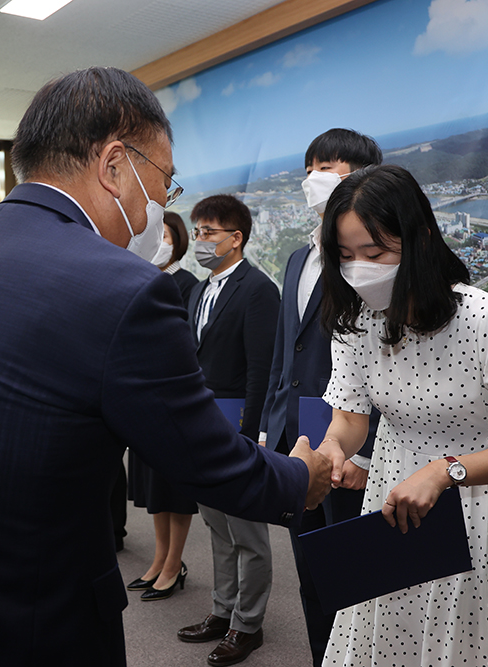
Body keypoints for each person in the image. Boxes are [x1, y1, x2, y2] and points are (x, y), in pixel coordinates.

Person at [0, 67, 338, 667]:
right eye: (164, 183)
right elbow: (205, 459)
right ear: (115, 163)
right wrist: (300, 477)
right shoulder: (122, 289)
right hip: (26, 628)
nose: (162, 207)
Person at [313, 164, 488, 666]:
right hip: (392, 498)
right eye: (346, 256)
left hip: (482, 508)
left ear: (420, 238)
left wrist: (447, 470)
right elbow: (350, 418)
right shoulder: (358, 323)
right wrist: (330, 451)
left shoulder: (483, 317)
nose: (359, 269)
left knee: (471, 646)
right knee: (390, 638)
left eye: (375, 252)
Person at [257, 128, 383, 667]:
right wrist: (269, 427)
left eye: (331, 167)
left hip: (352, 449)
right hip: (297, 441)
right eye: (312, 167)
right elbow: (285, 353)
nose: (317, 178)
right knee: (311, 572)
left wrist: (364, 453)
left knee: (362, 580)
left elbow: (390, 360)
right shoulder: (295, 259)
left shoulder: (374, 261)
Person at [177, 195, 280, 666]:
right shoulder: (200, 290)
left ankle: (248, 625)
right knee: (216, 524)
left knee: (247, 532)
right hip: (202, 421)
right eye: (197, 232)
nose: (200, 240)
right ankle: (222, 612)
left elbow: (262, 368)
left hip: (237, 423)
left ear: (236, 238)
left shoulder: (258, 289)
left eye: (209, 232)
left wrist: (254, 431)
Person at [125, 211, 199, 601]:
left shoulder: (187, 284)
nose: (160, 240)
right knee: (153, 488)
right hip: (144, 397)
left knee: (174, 487)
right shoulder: (142, 279)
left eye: (167, 234)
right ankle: (158, 559)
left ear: (178, 241)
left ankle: (174, 564)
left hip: (172, 398)